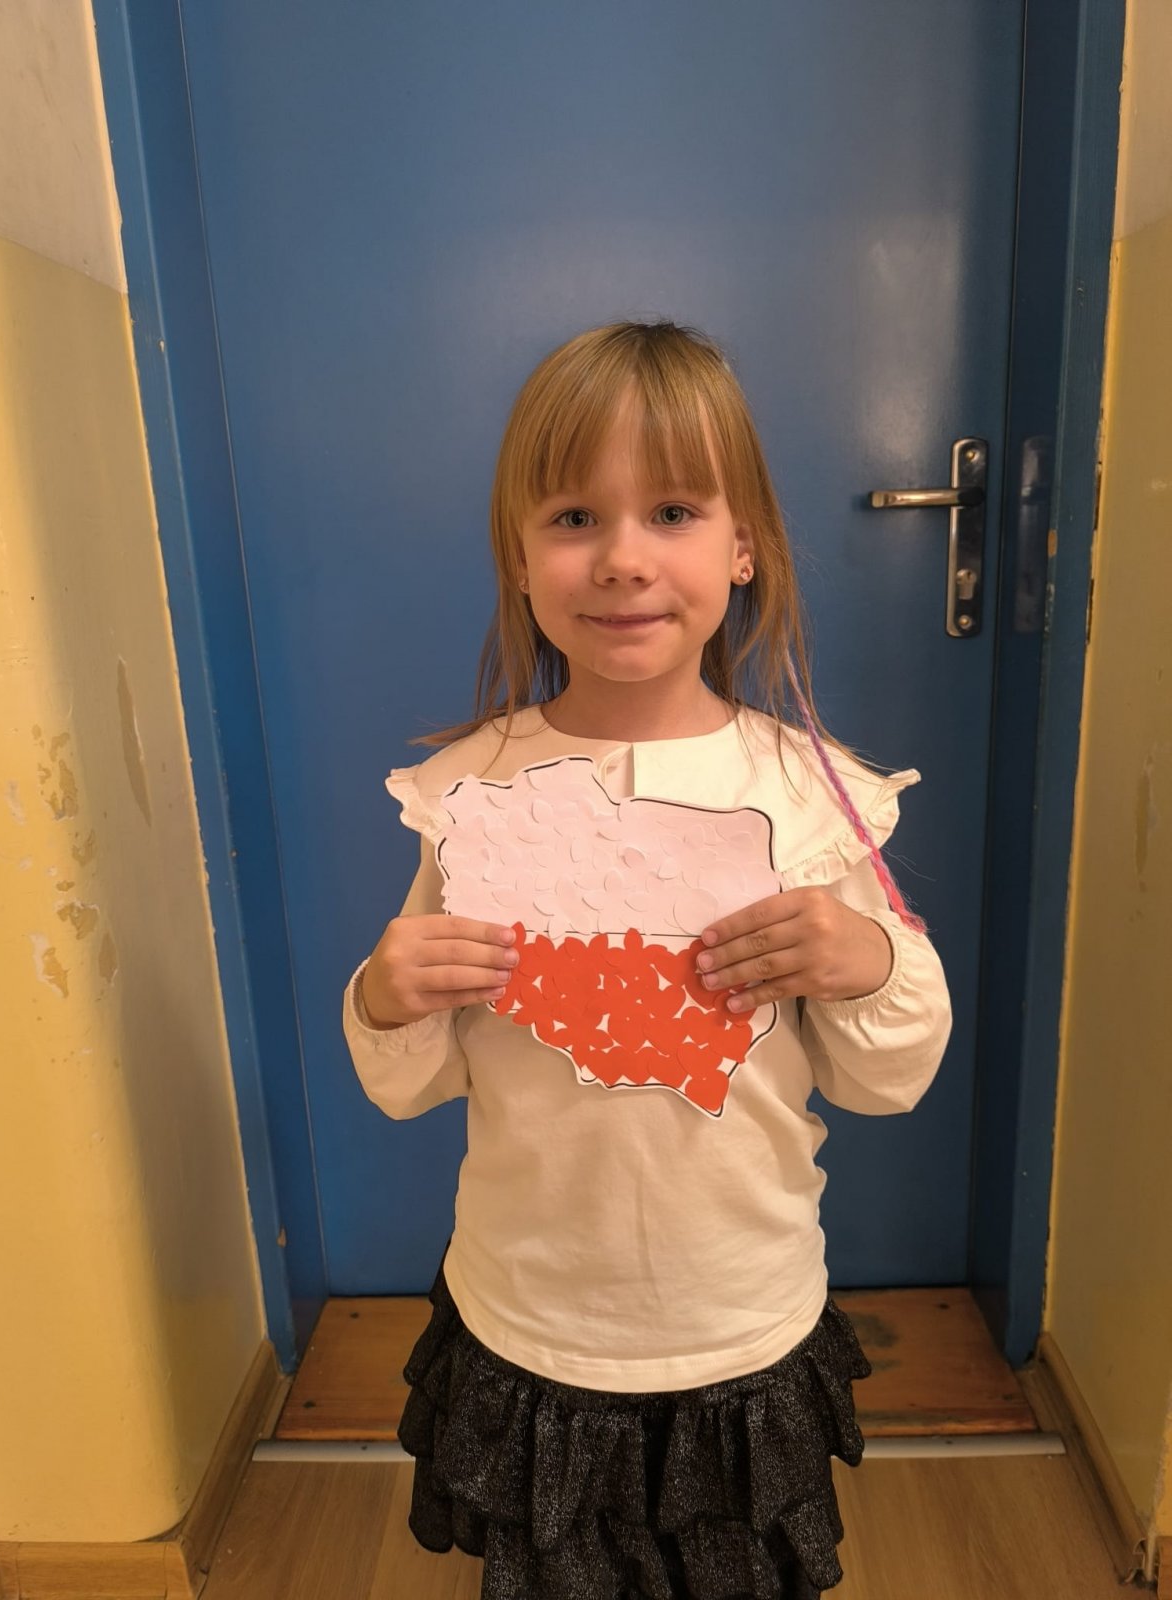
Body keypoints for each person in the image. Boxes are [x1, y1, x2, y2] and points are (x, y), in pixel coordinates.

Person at [342, 320, 952, 1600]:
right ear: (520, 557)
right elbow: (408, 1078)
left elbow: (888, 1075)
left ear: (744, 547)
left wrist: (863, 960)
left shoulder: (811, 796)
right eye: (575, 518)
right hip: (532, 1317)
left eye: (673, 511)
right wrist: (385, 995)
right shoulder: (474, 796)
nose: (623, 558)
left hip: (740, 1315)